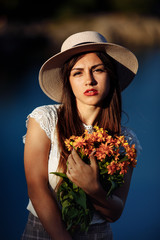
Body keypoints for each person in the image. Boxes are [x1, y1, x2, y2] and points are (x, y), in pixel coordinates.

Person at [22, 31, 141, 240]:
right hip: (42, 232)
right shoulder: (45, 119)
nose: (89, 80)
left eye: (98, 70)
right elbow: (36, 188)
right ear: (67, 81)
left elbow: (115, 213)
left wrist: (93, 189)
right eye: (78, 72)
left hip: (97, 235)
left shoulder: (125, 141)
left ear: (110, 76)